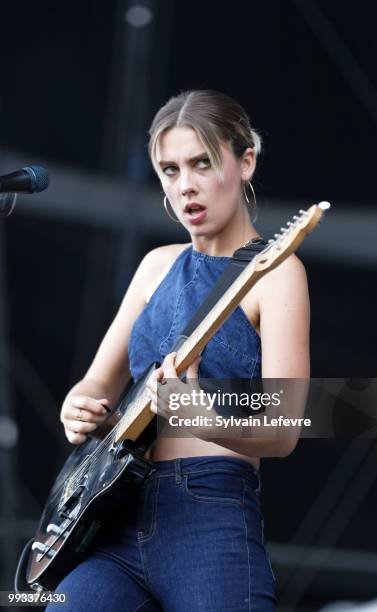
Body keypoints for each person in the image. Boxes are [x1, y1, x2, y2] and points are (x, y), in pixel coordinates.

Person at [50, 90, 310, 611]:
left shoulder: (277, 273)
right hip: (116, 508)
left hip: (208, 512)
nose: (184, 185)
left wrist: (194, 412)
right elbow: (95, 386)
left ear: (246, 162)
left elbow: (284, 430)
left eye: (202, 163)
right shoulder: (155, 265)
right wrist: (76, 408)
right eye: (169, 170)